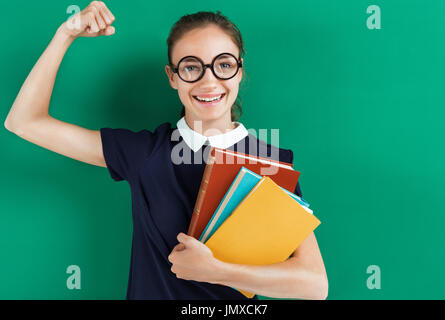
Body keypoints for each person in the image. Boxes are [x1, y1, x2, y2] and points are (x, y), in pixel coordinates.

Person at [4, 1, 328, 300]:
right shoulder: (144, 153)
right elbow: (24, 122)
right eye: (191, 67)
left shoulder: (270, 164)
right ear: (172, 77)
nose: (209, 81)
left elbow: (314, 284)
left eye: (224, 64)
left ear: (240, 71)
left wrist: (216, 271)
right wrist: (66, 34)